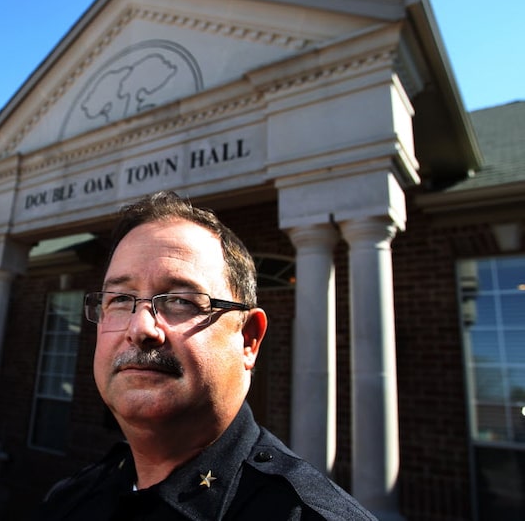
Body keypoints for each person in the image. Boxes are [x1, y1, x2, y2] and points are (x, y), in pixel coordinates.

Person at [35, 191, 376, 520]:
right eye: (120, 300)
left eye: (181, 300)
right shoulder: (69, 499)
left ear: (249, 340)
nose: (141, 328)